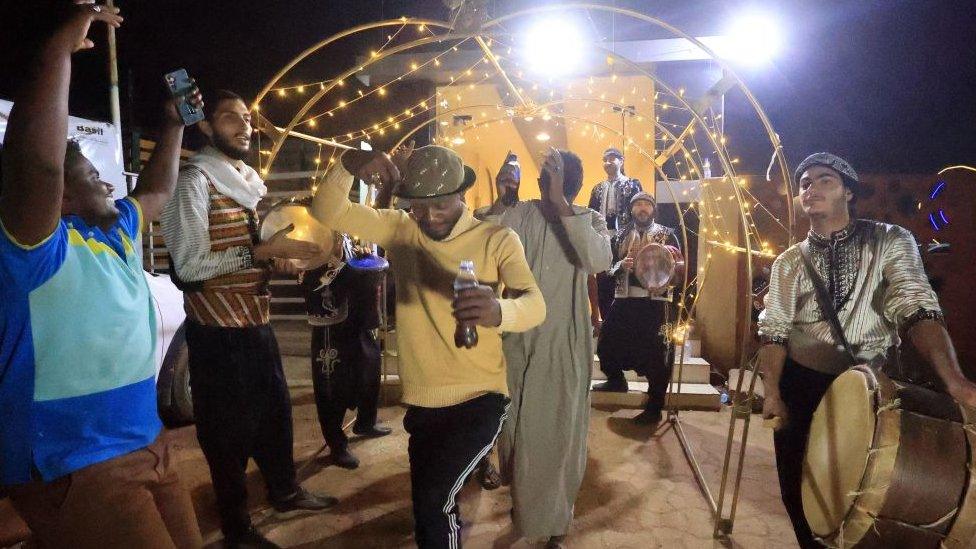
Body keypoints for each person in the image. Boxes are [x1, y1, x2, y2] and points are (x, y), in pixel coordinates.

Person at [0, 4, 202, 547]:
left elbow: (157, 191)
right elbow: (35, 165)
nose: (110, 186)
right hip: (74, 464)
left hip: (148, 444)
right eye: (93, 176)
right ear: (59, 197)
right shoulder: (31, 253)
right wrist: (56, 52)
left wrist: (173, 124)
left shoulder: (112, 236)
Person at [311, 144, 546, 548]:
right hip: (422, 402)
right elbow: (328, 212)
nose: (430, 216)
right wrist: (351, 162)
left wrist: (498, 311)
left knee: (436, 500)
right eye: (419, 206)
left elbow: (536, 304)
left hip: (480, 398)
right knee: (428, 506)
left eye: (440, 205)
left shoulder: (497, 239)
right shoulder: (402, 230)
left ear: (463, 195)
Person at [758, 152, 976, 549]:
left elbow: (916, 304)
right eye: (805, 183)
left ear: (849, 191)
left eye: (825, 180)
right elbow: (774, 332)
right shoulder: (788, 263)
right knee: (799, 485)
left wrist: (954, 380)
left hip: (872, 386)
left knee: (869, 488)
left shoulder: (890, 240)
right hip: (800, 383)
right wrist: (772, 391)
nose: (811, 188)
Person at [160, 90, 335, 547]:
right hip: (218, 335)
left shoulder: (246, 179)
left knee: (275, 417)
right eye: (229, 118)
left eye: (247, 119)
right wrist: (260, 251)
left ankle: (284, 490)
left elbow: (249, 254)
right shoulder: (193, 182)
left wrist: (278, 262)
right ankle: (237, 529)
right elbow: (189, 268)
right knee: (227, 436)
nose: (244, 126)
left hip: (256, 324)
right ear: (205, 126)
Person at [476, 148, 611, 547]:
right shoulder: (522, 213)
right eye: (543, 173)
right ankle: (526, 503)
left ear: (568, 181)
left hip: (564, 340)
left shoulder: (589, 218)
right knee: (515, 427)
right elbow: (484, 232)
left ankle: (555, 523)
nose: (542, 179)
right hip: (518, 337)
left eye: (552, 174)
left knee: (554, 433)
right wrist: (504, 195)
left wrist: (560, 203)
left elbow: (597, 258)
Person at [300, 231, 392, 471]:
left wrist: (361, 260)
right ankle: (336, 444)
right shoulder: (312, 235)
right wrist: (338, 262)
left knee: (369, 372)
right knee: (333, 387)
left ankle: (366, 422)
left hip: (357, 320)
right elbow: (311, 281)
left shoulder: (344, 232)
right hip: (332, 326)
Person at [592, 193, 680, 425]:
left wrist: (666, 263)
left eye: (646, 205)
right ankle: (616, 380)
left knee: (658, 354)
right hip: (626, 298)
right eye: (638, 205)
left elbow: (680, 266)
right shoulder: (620, 234)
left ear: (653, 209)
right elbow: (606, 266)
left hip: (657, 302)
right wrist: (622, 264)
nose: (642, 208)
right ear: (631, 210)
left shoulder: (668, 234)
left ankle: (654, 406)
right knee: (608, 341)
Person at [587, 147, 644, 333]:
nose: (607, 163)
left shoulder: (633, 184)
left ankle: (626, 327)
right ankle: (606, 323)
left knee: (625, 281)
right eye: (604, 160)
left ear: (621, 160)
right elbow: (591, 216)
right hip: (603, 241)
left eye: (611, 159)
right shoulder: (597, 189)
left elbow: (640, 212)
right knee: (603, 282)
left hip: (627, 241)